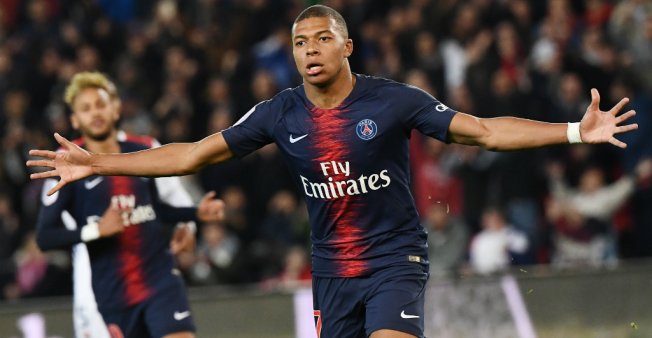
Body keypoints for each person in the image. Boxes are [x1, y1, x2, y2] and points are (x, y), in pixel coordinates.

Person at [27, 5, 637, 338]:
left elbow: (482, 131)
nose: (310, 48)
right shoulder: (278, 113)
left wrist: (574, 130)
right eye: (300, 41)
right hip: (332, 271)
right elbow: (189, 154)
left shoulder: (392, 100)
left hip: (396, 259)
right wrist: (95, 162)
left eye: (322, 38)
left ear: (346, 47)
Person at [34, 72, 225, 338]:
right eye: (86, 108)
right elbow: (45, 236)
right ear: (75, 120)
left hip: (158, 277)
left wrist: (191, 220)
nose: (96, 113)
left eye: (101, 104)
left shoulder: (146, 149)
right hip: (103, 288)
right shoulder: (65, 164)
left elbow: (164, 205)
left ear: (116, 109)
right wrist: (97, 231)